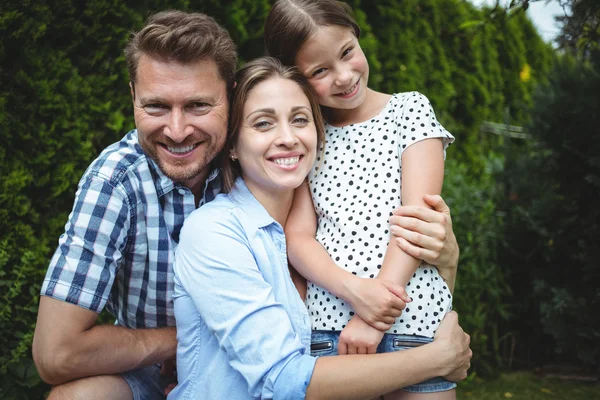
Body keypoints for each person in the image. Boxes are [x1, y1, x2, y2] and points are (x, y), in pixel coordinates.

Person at [32, 9, 461, 400]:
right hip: (164, 369)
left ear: (228, 101)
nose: (178, 130)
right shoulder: (128, 185)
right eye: (157, 106)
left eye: (199, 105)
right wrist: (193, 337)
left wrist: (446, 258)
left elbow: (402, 280)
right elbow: (56, 353)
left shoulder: (306, 189)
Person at [169, 56, 470, 400]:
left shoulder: (326, 241)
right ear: (233, 145)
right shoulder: (214, 232)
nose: (287, 138)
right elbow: (283, 380)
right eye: (263, 124)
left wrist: (448, 262)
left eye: (300, 120)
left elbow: (400, 309)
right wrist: (436, 358)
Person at [265, 0, 458, 397]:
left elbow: (417, 221)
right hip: (331, 329)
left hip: (413, 320)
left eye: (347, 52)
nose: (343, 75)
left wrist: (375, 316)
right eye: (319, 71)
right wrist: (355, 292)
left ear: (356, 35)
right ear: (296, 79)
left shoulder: (410, 110)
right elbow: (298, 239)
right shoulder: (308, 138)